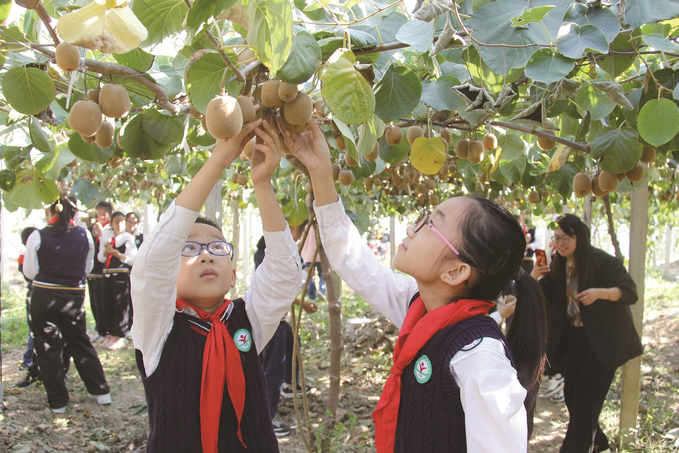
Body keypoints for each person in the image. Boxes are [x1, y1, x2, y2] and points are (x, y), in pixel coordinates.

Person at [283, 119, 547, 452]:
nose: (413, 227)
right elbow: (351, 259)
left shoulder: (479, 356)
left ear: (455, 272)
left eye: (430, 224)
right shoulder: (422, 307)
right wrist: (320, 169)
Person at [130, 117, 302, 453]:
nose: (206, 256)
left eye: (217, 248)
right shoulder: (157, 329)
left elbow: (285, 273)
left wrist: (262, 183)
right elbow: (153, 263)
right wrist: (217, 161)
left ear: (234, 272)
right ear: (170, 276)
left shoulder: (246, 321)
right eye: (190, 248)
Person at [531, 214, 642, 453]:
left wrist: (601, 293)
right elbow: (545, 296)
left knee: (584, 400)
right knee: (572, 395)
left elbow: (630, 291)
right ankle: (599, 443)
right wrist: (535, 276)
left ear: (579, 238)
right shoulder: (558, 264)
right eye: (557, 238)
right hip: (576, 340)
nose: (560, 243)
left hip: (603, 343)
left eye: (566, 238)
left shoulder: (602, 261)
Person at [22, 197, 111, 413]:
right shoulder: (84, 235)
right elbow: (87, 267)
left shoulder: (38, 235)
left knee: (48, 347)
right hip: (73, 297)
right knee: (80, 342)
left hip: (43, 296)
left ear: (50, 211)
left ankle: (58, 403)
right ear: (75, 213)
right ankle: (101, 392)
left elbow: (30, 273)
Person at [98, 211, 137, 349]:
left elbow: (133, 259)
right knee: (107, 303)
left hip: (120, 274)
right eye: (116, 222)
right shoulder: (107, 237)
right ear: (112, 223)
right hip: (108, 274)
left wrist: (119, 256)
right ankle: (110, 332)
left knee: (121, 305)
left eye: (122, 222)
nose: (119, 225)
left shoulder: (128, 238)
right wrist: (105, 251)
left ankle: (121, 334)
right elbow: (100, 258)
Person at [88, 201, 113, 343]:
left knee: (103, 301)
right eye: (99, 214)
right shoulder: (92, 228)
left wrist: (101, 231)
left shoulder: (110, 228)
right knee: (94, 301)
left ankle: (106, 330)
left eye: (104, 214)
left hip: (104, 270)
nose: (102, 217)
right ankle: (99, 329)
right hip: (91, 270)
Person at [300, 225, 326, 300]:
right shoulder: (320, 226)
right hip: (319, 255)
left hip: (307, 256)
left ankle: (312, 295)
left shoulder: (305, 227)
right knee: (322, 274)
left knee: (310, 276)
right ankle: (322, 290)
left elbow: (302, 241)